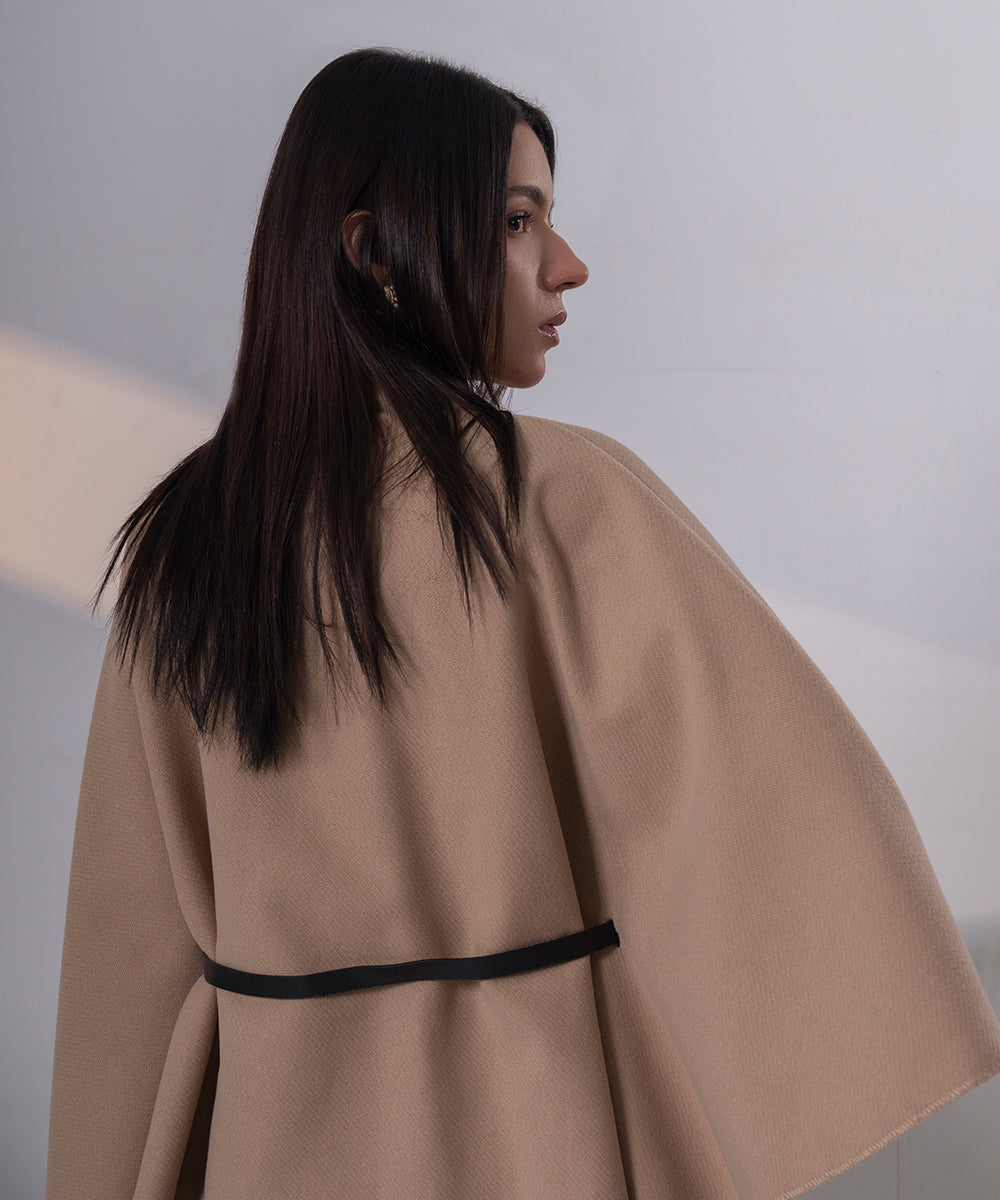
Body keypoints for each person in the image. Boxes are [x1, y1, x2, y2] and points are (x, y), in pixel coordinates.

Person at [46, 47, 1000, 1200]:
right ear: (372, 252)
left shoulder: (187, 546)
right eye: (515, 221)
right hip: (545, 1127)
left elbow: (129, 949)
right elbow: (771, 804)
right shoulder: (564, 501)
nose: (567, 263)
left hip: (273, 1144)